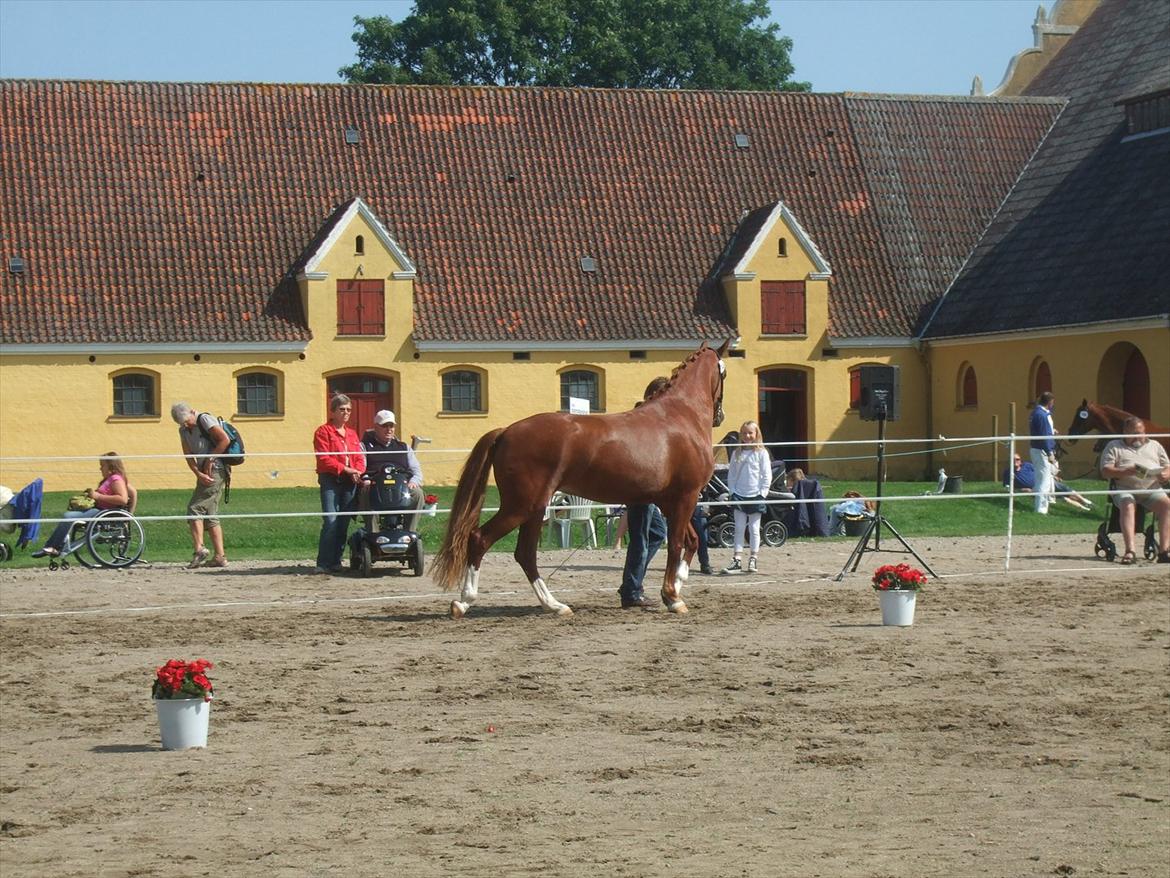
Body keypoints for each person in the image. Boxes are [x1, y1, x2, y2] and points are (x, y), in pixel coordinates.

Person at [619, 377, 670, 609]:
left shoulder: (651, 417)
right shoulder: (643, 418)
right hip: (639, 486)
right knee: (640, 538)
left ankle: (631, 582)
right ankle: (632, 590)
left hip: (647, 489)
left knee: (657, 532)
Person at [1099, 416, 1170, 565]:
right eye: (1134, 433)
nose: (1138, 436)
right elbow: (1105, 471)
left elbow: (1167, 466)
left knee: (1167, 505)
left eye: (1141, 432)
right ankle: (1130, 550)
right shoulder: (1114, 446)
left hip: (1151, 489)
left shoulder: (1155, 445)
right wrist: (1125, 471)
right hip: (1125, 488)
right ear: (1125, 432)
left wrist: (1165, 473)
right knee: (1128, 504)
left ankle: (1164, 551)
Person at [32, 452, 131, 558]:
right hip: (97, 510)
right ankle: (55, 546)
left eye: (102, 465)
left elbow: (123, 499)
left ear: (111, 465)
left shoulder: (116, 479)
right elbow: (132, 492)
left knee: (68, 517)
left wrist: (98, 496)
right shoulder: (112, 479)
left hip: (102, 513)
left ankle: (53, 547)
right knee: (69, 515)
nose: (100, 469)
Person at [172, 402, 229, 568]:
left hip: (216, 469)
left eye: (187, 421)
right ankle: (220, 557)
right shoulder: (183, 430)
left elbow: (224, 440)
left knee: (194, 508)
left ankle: (199, 549)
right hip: (204, 471)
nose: (186, 425)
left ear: (191, 412)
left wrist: (210, 459)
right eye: (182, 423)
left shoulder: (205, 420)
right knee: (210, 514)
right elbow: (188, 455)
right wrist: (198, 473)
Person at [313, 394, 365, 574]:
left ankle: (336, 560)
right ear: (333, 411)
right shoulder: (323, 432)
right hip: (330, 480)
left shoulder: (352, 433)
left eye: (348, 410)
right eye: (342, 409)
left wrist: (357, 470)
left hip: (349, 482)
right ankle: (323, 562)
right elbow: (324, 459)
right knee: (330, 520)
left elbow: (358, 456)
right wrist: (345, 469)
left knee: (343, 522)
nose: (346, 413)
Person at [360, 409, 424, 530]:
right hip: (375, 486)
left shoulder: (404, 447)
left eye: (391, 426)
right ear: (376, 427)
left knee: (418, 494)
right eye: (384, 426)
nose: (389, 429)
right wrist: (366, 480)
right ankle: (373, 533)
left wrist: (413, 482)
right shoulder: (365, 446)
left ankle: (409, 532)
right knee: (365, 492)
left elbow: (417, 471)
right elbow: (360, 468)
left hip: (401, 486)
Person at [721, 420, 771, 574]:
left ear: (756, 435)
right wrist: (732, 492)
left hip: (756, 495)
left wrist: (762, 493)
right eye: (744, 433)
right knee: (739, 528)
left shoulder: (762, 453)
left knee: (754, 529)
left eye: (750, 433)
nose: (747, 436)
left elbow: (766, 475)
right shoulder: (737, 453)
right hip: (739, 496)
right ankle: (737, 559)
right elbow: (732, 475)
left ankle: (753, 558)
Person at [1002, 453, 1093, 511]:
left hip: (1044, 482)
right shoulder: (1007, 473)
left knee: (1065, 490)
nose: (1015, 461)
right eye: (1013, 459)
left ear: (1020, 461)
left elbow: (1041, 471)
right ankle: (1084, 508)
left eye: (1017, 459)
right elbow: (1008, 488)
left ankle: (1085, 501)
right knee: (1064, 499)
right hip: (1035, 489)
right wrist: (1021, 490)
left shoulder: (1027, 465)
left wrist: (1054, 476)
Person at [1029, 392, 1059, 514]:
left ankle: (1040, 506)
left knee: (1040, 479)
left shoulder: (1036, 413)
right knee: (1044, 481)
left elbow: (1042, 431)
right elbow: (1043, 435)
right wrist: (1049, 452)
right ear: (1050, 402)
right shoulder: (1042, 415)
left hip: (1036, 449)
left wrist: (1052, 431)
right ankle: (1041, 510)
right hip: (1042, 451)